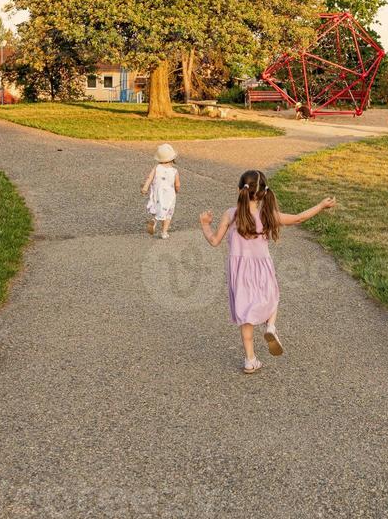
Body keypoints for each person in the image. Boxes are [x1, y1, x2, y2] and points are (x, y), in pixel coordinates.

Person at [198, 169, 337, 374]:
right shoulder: (267, 215)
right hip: (262, 267)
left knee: (246, 314)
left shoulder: (230, 214)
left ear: (239, 190)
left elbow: (214, 241)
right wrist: (321, 205)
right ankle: (270, 327)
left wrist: (205, 225)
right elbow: (299, 218)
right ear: (264, 193)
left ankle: (250, 360)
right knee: (272, 296)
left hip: (239, 272)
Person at [141, 143, 180, 239]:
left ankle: (155, 219)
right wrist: (176, 190)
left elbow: (150, 177)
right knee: (168, 213)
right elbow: (177, 184)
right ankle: (164, 232)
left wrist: (145, 187)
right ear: (172, 158)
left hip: (158, 193)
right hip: (169, 195)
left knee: (159, 206)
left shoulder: (157, 167)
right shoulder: (174, 171)